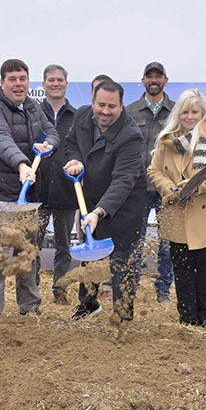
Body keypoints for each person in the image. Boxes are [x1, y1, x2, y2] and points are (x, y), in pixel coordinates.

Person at [0, 58, 56, 319]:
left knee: (27, 258)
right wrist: (22, 164)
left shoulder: (32, 107)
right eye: (12, 79)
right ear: (2, 83)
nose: (18, 84)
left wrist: (48, 145)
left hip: (26, 200)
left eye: (22, 78)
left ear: (28, 81)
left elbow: (51, 131)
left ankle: (30, 310)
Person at [149, 89, 206, 326]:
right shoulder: (166, 140)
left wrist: (193, 188)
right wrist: (170, 189)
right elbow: (154, 171)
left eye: (194, 112)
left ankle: (205, 318)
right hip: (176, 214)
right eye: (185, 112)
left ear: (203, 113)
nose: (189, 117)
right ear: (178, 113)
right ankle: (186, 318)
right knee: (182, 270)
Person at [63, 80, 146, 323]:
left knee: (121, 261)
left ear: (122, 105)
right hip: (90, 198)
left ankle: (123, 316)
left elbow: (123, 180)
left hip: (123, 205)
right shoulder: (82, 116)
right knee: (90, 257)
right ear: (92, 101)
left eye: (112, 106)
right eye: (101, 105)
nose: (105, 111)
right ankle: (88, 305)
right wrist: (75, 159)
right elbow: (70, 143)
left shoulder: (131, 135)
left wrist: (99, 212)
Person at [125, 61, 175, 302]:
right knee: (135, 240)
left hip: (167, 188)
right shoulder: (130, 111)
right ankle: (131, 288)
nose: (154, 80)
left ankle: (163, 291)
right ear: (143, 81)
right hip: (138, 186)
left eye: (158, 76)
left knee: (168, 242)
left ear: (166, 80)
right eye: (149, 76)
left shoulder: (177, 112)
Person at [35, 64, 79, 304]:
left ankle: (60, 291)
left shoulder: (77, 116)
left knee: (64, 246)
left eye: (60, 80)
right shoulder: (33, 113)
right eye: (51, 80)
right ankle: (31, 290)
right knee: (33, 245)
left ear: (66, 84)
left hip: (66, 190)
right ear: (43, 84)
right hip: (37, 190)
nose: (55, 83)